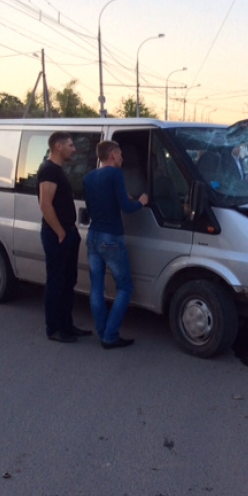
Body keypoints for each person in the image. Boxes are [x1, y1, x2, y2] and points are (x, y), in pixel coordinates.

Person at [83, 140, 149, 349]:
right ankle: (110, 335)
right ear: (112, 154)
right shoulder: (116, 174)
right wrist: (141, 202)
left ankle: (103, 332)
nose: (122, 158)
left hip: (93, 235)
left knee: (96, 288)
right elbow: (127, 209)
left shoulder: (89, 177)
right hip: (111, 237)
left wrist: (123, 199)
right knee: (125, 287)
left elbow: (96, 207)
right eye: (120, 154)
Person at [38, 132, 93, 343]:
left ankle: (67, 325)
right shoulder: (49, 171)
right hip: (57, 235)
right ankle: (54, 328)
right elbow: (45, 204)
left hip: (68, 232)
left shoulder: (58, 171)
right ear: (59, 146)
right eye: (70, 145)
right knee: (56, 282)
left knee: (69, 280)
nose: (74, 149)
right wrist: (60, 231)